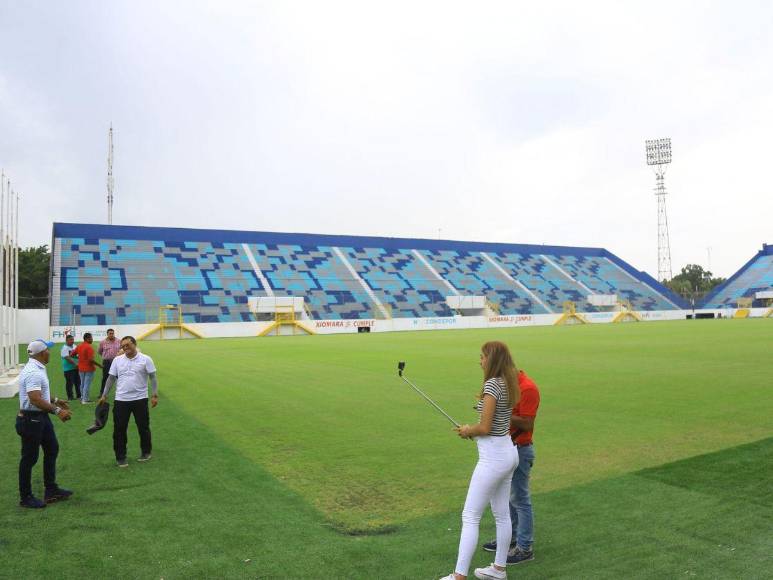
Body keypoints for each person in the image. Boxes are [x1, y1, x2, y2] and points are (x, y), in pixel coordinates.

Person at [440, 342, 520, 580]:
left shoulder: (493, 384)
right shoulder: (508, 381)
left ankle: (459, 576)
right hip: (508, 452)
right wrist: (473, 431)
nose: (480, 361)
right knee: (502, 514)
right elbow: (494, 423)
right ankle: (498, 569)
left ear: (492, 359)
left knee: (470, 515)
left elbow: (484, 427)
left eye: (483, 357)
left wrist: (468, 430)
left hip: (493, 457)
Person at [481, 369, 541, 565]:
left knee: (520, 499)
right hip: (506, 447)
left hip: (520, 449)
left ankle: (525, 548)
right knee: (508, 497)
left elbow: (527, 423)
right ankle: (511, 538)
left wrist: (498, 413)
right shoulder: (508, 386)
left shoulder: (528, 388)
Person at [16, 339, 74, 508]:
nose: (50, 352)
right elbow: (34, 399)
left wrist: (56, 400)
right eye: (47, 350)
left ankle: (51, 489)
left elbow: (39, 394)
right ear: (42, 353)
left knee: (52, 448)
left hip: (39, 417)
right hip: (31, 419)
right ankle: (25, 497)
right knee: (29, 458)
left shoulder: (37, 367)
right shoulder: (34, 372)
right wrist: (57, 411)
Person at [98, 336, 158, 467]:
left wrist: (154, 395)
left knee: (143, 427)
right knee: (119, 429)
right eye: (123, 346)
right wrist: (104, 395)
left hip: (140, 399)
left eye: (127, 345)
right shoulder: (117, 360)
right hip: (121, 400)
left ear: (135, 344)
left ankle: (146, 452)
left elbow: (153, 377)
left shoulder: (146, 359)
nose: (125, 348)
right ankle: (121, 456)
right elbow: (111, 378)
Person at [75, 332, 101, 404]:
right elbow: (91, 360)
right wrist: (99, 365)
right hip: (89, 369)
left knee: (82, 384)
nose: (92, 339)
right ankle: (85, 400)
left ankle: (82, 398)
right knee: (86, 384)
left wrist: (80, 358)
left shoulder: (79, 346)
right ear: (87, 338)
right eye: (91, 338)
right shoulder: (89, 347)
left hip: (81, 368)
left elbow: (72, 354)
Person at [97, 328, 121, 397]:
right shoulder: (103, 342)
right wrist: (105, 356)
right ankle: (102, 393)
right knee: (105, 377)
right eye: (110, 333)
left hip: (117, 361)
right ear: (107, 334)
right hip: (107, 362)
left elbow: (122, 350)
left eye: (112, 333)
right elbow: (99, 351)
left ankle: (120, 392)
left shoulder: (119, 341)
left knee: (119, 377)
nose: (111, 335)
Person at [60, 334, 80, 400]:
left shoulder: (75, 346)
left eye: (73, 339)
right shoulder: (64, 348)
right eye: (70, 340)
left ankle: (79, 395)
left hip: (76, 368)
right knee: (69, 383)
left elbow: (78, 355)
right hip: (68, 369)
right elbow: (67, 357)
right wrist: (75, 364)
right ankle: (70, 397)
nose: (72, 341)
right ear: (66, 340)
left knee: (78, 382)